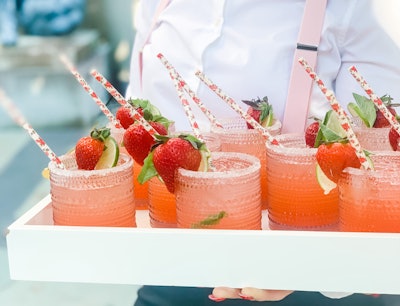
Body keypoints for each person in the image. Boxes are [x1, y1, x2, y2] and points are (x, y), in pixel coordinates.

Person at [126, 0, 400, 305]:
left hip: (310, 285)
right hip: (170, 273)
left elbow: (382, 163)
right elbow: (137, 120)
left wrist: (318, 269)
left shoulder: (361, 6)